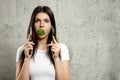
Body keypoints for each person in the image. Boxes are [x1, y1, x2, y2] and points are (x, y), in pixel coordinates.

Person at [16, 6, 70, 80]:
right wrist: (27, 58)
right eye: (37, 21)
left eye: (46, 21)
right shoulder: (22, 50)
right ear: (32, 25)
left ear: (51, 26)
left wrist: (56, 58)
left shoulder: (62, 49)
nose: (41, 25)